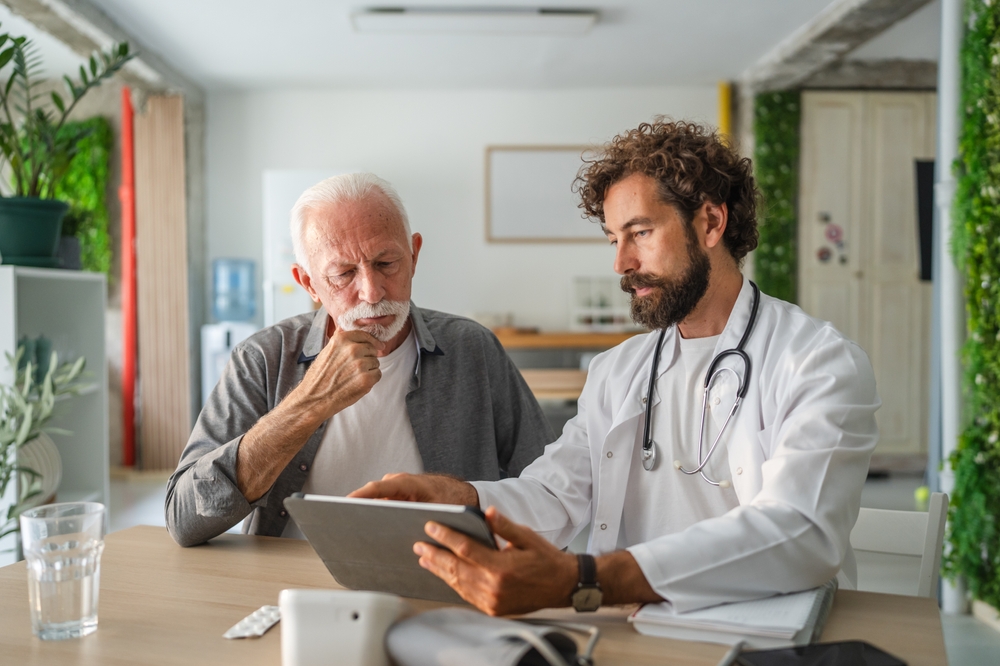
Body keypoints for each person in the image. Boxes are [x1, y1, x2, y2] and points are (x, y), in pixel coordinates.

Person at [351, 120, 881, 616]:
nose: (621, 264)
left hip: (767, 629)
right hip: (637, 626)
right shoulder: (620, 371)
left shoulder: (816, 362)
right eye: (613, 239)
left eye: (640, 233)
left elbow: (800, 532)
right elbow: (556, 493)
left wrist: (585, 579)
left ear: (711, 222)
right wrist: (460, 498)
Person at [166, 173, 552, 547]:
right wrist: (308, 403)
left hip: (442, 577)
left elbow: (550, 493)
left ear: (414, 255)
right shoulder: (262, 358)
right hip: (289, 581)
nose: (371, 292)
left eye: (386, 264)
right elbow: (184, 520)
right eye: (343, 273)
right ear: (308, 283)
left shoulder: (473, 349)